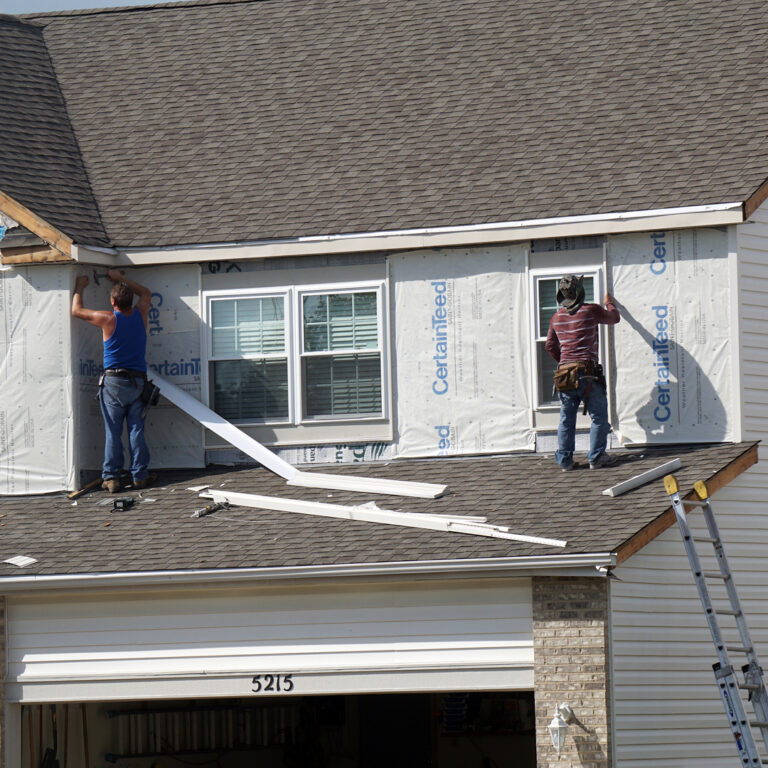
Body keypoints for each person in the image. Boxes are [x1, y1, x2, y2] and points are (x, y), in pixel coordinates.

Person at [72, 269, 152, 492]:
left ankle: (112, 478)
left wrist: (80, 286)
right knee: (136, 430)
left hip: (114, 383)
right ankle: (139, 476)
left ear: (112, 301)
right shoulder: (140, 314)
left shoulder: (108, 319)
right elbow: (146, 293)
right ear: (130, 300)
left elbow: (76, 310)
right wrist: (120, 278)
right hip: (138, 382)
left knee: (113, 432)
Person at [545, 274, 620, 471]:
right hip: (587, 373)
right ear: (580, 292)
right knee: (599, 417)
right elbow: (614, 318)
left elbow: (550, 346)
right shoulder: (590, 310)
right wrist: (609, 304)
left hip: (564, 375)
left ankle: (565, 461)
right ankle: (596, 457)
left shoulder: (556, 317)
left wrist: (565, 363)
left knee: (566, 420)